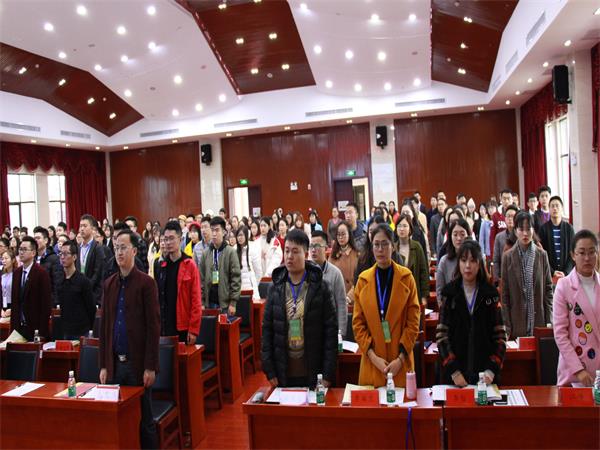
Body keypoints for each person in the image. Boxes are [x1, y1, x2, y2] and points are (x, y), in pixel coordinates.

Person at [98, 229, 160, 449]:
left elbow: (153, 328)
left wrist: (150, 366)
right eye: (116, 248)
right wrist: (104, 365)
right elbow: (105, 328)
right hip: (115, 363)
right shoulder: (109, 284)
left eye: (123, 247)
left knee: (145, 420)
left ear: (134, 251)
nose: (119, 252)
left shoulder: (146, 283)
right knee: (116, 419)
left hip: (137, 364)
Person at [261, 229, 338, 388]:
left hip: (314, 370)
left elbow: (330, 332)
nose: (289, 256)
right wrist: (270, 370)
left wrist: (327, 374)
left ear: (306, 254)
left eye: (295, 251)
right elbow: (267, 330)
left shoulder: (321, 287)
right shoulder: (275, 287)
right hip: (283, 371)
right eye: (287, 251)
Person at [352, 224, 420, 387]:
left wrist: (400, 359)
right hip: (372, 363)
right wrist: (373, 357)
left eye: (385, 244)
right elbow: (358, 324)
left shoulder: (407, 278)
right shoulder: (363, 280)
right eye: (376, 244)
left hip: (400, 364)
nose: (380, 249)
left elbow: (413, 323)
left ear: (393, 246)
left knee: (401, 402)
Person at [437, 239, 507, 386]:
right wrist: (454, 371)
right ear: (458, 263)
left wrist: (491, 369)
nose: (468, 266)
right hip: (455, 378)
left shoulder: (491, 295)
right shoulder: (449, 294)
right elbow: (442, 336)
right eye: (463, 260)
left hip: (485, 378)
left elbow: (500, 337)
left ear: (479, 263)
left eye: (473, 261)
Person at [553, 230, 600, 386]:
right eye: (582, 253)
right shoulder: (564, 286)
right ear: (573, 255)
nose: (587, 258)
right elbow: (560, 333)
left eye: (592, 252)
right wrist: (578, 370)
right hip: (574, 373)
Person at [501, 212, 553, 338]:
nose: (525, 233)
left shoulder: (542, 255)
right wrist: (507, 325)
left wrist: (549, 320)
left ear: (533, 230)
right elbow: (505, 295)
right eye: (521, 229)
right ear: (515, 231)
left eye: (528, 229)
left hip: (539, 320)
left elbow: (548, 290)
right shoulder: (507, 257)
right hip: (516, 323)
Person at [154, 221, 202, 344]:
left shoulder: (189, 265)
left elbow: (196, 300)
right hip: (165, 325)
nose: (168, 243)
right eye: (165, 239)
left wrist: (193, 329)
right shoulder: (161, 265)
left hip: (183, 326)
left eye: (171, 238)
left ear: (180, 240)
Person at [10, 236, 52, 340]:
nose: (21, 252)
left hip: (35, 328)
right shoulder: (16, 273)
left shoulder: (41, 273)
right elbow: (15, 303)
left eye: (25, 249)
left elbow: (46, 305)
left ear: (33, 253)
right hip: (18, 328)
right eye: (20, 249)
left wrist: (41, 332)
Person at [199, 216, 241, 313]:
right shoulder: (205, 254)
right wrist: (201, 302)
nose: (214, 234)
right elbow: (201, 279)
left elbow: (236, 278)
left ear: (224, 232)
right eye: (212, 230)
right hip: (209, 303)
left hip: (225, 304)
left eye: (217, 230)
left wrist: (233, 303)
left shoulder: (230, 252)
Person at [310, 231, 347, 337]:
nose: (313, 250)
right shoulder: (305, 273)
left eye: (317, 246)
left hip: (330, 331)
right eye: (311, 246)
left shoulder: (335, 273)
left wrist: (341, 333)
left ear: (326, 248)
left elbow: (341, 304)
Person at [57, 240, 95, 339]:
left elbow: (91, 308)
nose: (62, 257)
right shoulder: (60, 280)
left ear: (74, 257)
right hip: (65, 329)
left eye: (66, 254)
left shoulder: (83, 281)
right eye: (61, 254)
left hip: (81, 331)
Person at [395, 214, 429, 306]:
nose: (402, 229)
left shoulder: (417, 246)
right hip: (397, 294)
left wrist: (424, 296)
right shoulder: (393, 248)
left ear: (410, 229)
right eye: (399, 226)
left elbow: (423, 272)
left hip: (414, 292)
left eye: (405, 226)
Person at [538, 196, 575, 279]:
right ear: (549, 209)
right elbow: (541, 254)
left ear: (562, 208)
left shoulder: (569, 228)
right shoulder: (543, 229)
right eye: (552, 206)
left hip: (567, 275)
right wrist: (552, 272)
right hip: (549, 275)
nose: (555, 208)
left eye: (557, 206)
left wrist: (566, 272)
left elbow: (573, 252)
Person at [435, 218, 471, 304]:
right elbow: (440, 292)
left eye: (462, 234)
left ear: (468, 235)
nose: (459, 238)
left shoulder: (476, 259)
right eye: (455, 234)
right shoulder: (444, 261)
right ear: (450, 236)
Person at [328, 221, 359, 304]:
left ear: (349, 234)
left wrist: (349, 297)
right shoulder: (333, 255)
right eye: (338, 234)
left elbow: (359, 279)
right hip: (336, 300)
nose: (340, 237)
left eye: (343, 234)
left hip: (353, 300)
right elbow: (328, 278)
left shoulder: (357, 254)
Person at [77, 214, 105, 306]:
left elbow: (98, 274)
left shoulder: (98, 248)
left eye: (85, 226)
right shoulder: (77, 248)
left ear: (92, 228)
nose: (82, 229)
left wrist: (86, 288)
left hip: (93, 294)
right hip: (78, 293)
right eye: (80, 226)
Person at [33, 226, 63, 306]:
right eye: (34, 238)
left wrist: (56, 303)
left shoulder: (54, 258)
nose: (36, 241)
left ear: (46, 240)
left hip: (49, 301)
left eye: (38, 238)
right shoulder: (32, 259)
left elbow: (57, 283)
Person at [492, 205, 518, 282]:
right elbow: (496, 260)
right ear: (505, 219)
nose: (510, 219)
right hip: (504, 277)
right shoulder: (499, 237)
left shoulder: (521, 236)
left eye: (513, 216)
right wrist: (497, 279)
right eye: (508, 216)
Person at [236, 225, 262, 299]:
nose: (240, 237)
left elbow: (258, 272)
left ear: (246, 235)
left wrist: (254, 285)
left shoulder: (253, 249)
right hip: (238, 290)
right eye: (238, 235)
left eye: (242, 235)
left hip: (251, 290)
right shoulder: (234, 250)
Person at [490, 188, 513, 259]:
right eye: (504, 198)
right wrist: (493, 255)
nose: (506, 201)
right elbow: (492, 237)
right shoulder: (495, 216)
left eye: (508, 198)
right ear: (501, 199)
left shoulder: (518, 214)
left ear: (512, 199)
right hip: (500, 252)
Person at [1, 249, 16, 318]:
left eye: (6, 258)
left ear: (13, 260)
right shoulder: (2, 276)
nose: (3, 261)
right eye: (2, 259)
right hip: (3, 306)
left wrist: (13, 309)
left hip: (14, 306)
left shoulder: (17, 275)